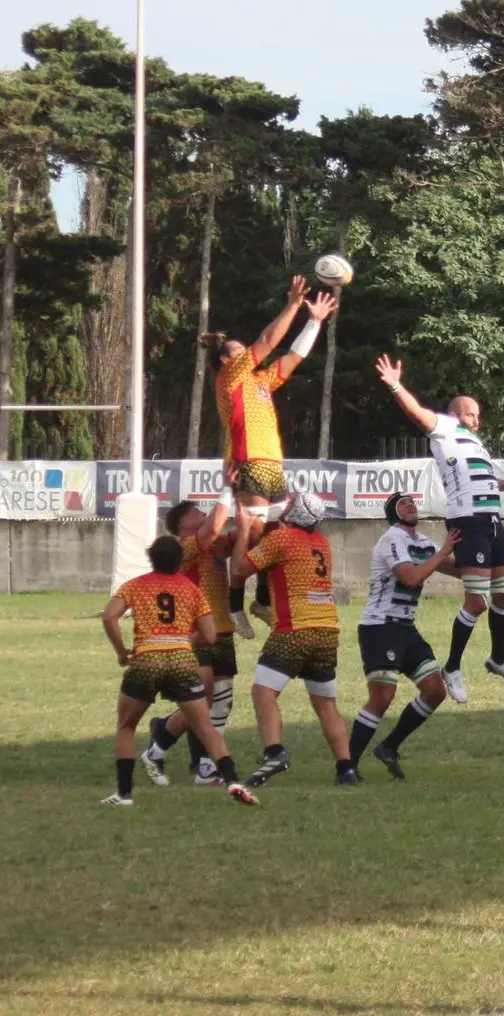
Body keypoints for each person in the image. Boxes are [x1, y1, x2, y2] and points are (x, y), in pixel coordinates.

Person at [375, 353, 504, 704]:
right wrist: (395, 386)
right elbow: (418, 414)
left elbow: (484, 479)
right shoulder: (445, 429)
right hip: (469, 521)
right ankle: (451, 667)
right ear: (455, 414)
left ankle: (497, 658)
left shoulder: (474, 444)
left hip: (492, 521)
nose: (477, 419)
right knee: (477, 602)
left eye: (478, 415)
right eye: (471, 413)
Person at [201, 276, 336, 638]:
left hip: (273, 465)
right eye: (238, 350)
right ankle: (234, 606)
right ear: (225, 360)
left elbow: (292, 357)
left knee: (273, 537)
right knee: (253, 533)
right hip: (249, 462)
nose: (246, 353)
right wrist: (293, 305)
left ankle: (260, 600)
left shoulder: (259, 382)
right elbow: (267, 341)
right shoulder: (229, 378)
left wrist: (314, 322)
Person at [99, 535, 257, 806]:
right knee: (206, 727)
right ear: (179, 560)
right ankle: (232, 781)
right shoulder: (191, 589)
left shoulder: (135, 585)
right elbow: (209, 635)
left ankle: (124, 794)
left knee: (126, 727)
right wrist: (184, 642)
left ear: (151, 558)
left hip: (147, 660)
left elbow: (108, 616)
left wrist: (121, 651)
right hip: (183, 661)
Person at [231, 492, 358, 787]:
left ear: (295, 513)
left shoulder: (281, 541)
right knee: (326, 704)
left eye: (290, 505)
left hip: (295, 629)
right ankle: (346, 769)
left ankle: (274, 753)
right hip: (327, 629)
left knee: (263, 692)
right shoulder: (321, 543)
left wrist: (243, 531)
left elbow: (238, 570)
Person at [348, 492, 461, 780]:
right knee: (382, 697)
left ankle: (389, 747)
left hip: (406, 628)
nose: (411, 505)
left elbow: (459, 570)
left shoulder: (423, 542)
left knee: (435, 690)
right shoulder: (392, 539)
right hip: (380, 627)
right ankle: (347, 765)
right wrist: (443, 552)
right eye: (403, 503)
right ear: (393, 513)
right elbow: (410, 578)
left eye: (412, 501)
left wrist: (478, 550)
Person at [140, 496, 239, 786]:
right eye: (196, 511)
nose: (203, 512)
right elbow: (212, 528)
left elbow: (243, 536)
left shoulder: (216, 543)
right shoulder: (185, 547)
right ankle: (168, 747)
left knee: (222, 701)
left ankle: (201, 763)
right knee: (202, 699)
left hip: (222, 631)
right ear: (184, 523)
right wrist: (228, 490)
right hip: (194, 633)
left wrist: (254, 510)